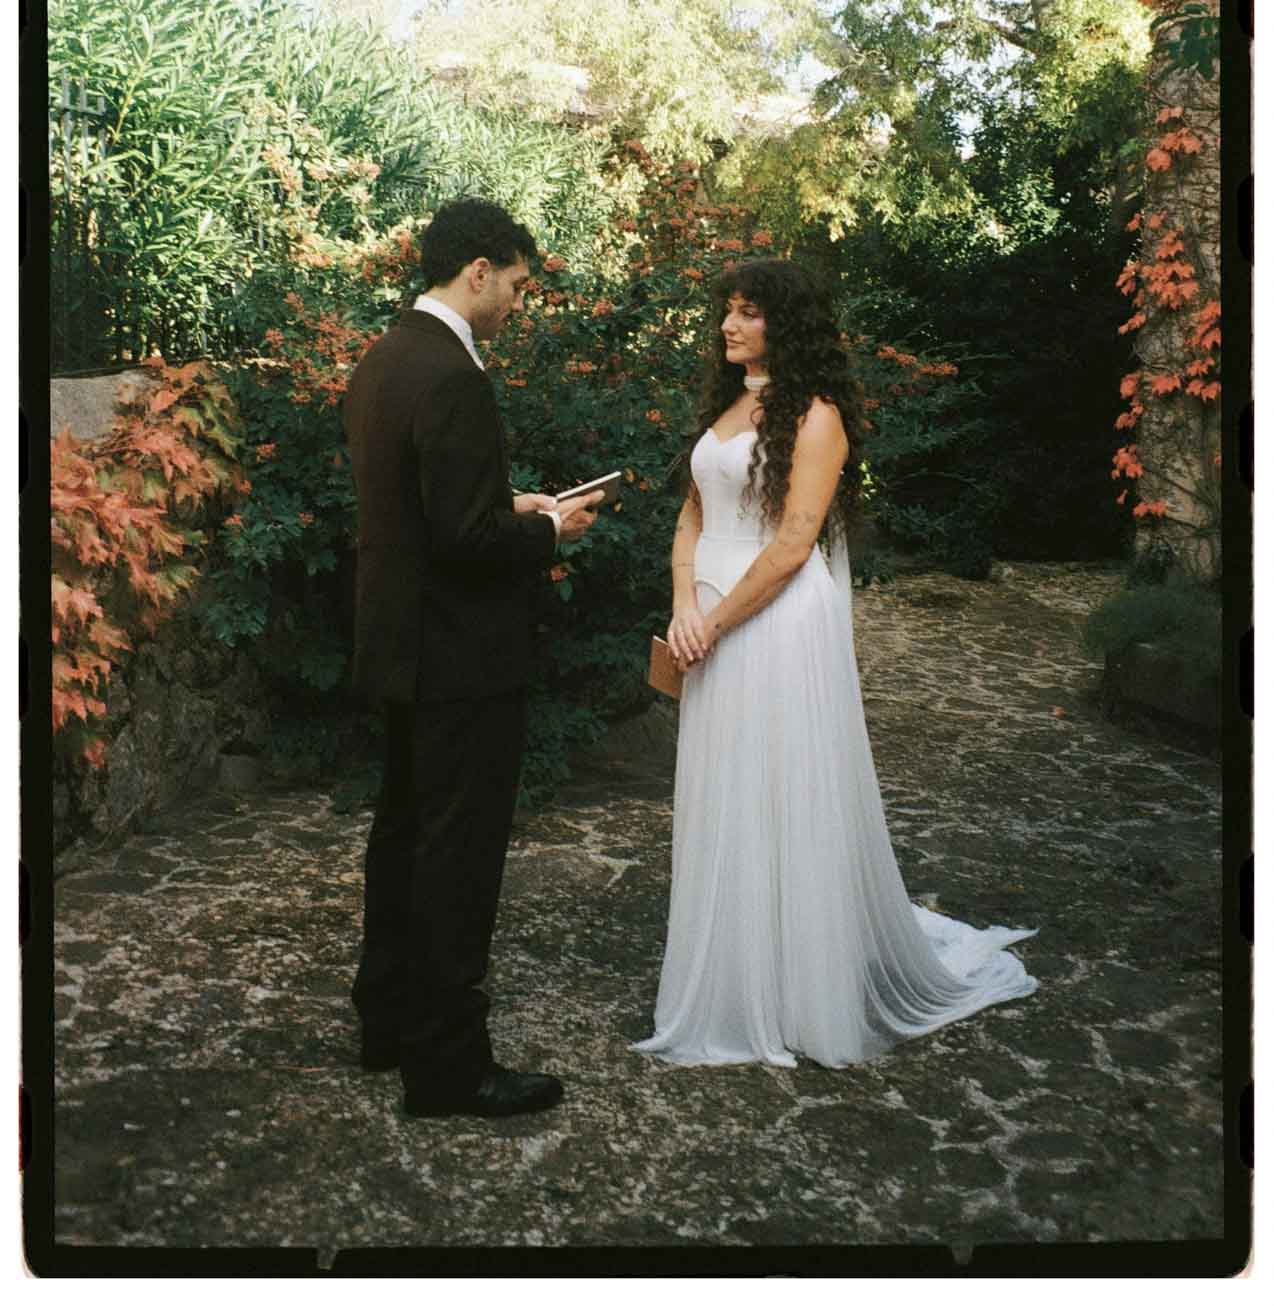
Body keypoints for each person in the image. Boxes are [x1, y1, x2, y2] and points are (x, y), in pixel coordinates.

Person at [632, 258, 1037, 1068]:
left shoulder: (817, 417)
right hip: (707, 614)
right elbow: (692, 512)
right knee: (728, 785)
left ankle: (795, 985)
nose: (729, 325)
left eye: (748, 312)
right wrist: (682, 605)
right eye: (728, 311)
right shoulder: (728, 404)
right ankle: (738, 963)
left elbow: (792, 543)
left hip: (772, 619)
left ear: (788, 323)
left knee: (780, 784)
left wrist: (715, 622)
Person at [343, 197, 602, 1118]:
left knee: (402, 840)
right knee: (456, 859)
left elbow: (420, 509)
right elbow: (464, 542)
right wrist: (552, 531)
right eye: (517, 285)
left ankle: (387, 1023)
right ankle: (449, 1068)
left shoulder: (385, 357)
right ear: (479, 271)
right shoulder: (454, 375)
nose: (518, 304)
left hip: (401, 645)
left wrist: (509, 502)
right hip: (458, 657)